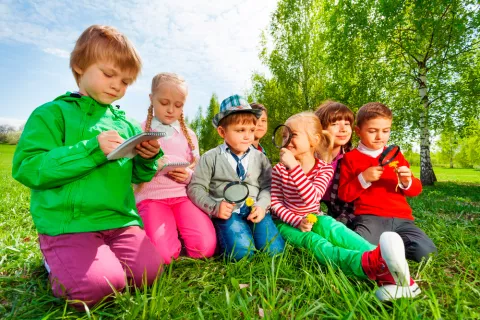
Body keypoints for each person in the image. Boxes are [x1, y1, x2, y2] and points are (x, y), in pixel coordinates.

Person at [11, 25, 163, 310]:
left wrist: (146, 158)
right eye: (109, 74)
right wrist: (92, 149)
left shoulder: (128, 125)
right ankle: (53, 258)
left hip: (119, 222)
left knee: (149, 274)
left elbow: (139, 176)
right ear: (79, 66)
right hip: (70, 225)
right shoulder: (51, 114)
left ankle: (101, 260)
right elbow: (28, 168)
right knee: (96, 290)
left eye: (126, 81)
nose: (118, 85)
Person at [271, 112, 420, 301]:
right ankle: (369, 266)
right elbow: (274, 201)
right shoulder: (278, 169)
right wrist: (295, 220)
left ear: (313, 140)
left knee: (336, 230)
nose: (287, 140)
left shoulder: (324, 169)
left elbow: (310, 199)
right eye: (284, 135)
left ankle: (382, 258)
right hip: (286, 223)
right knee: (314, 242)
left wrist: (294, 168)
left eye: (293, 135)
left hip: (314, 215)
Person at [187, 94, 285, 260]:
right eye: (240, 130)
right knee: (242, 254)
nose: (248, 136)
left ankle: (251, 233)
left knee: (275, 251)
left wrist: (261, 206)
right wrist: (214, 207)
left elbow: (268, 187)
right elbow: (195, 188)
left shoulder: (260, 158)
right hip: (228, 213)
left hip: (255, 210)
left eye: (251, 131)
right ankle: (228, 236)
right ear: (222, 131)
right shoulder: (210, 157)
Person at [338, 102, 437, 262]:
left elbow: (415, 191)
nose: (380, 136)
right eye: (372, 131)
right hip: (370, 218)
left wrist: (407, 181)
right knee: (360, 251)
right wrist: (363, 179)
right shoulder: (350, 158)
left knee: (427, 254)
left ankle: (391, 249)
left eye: (386, 131)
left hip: (402, 218)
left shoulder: (395, 155)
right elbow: (344, 195)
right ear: (358, 131)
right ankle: (385, 252)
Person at [135, 72, 216, 264]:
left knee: (205, 248)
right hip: (152, 199)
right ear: (151, 99)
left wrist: (188, 175)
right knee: (164, 256)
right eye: (164, 103)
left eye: (178, 105)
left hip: (182, 196)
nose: (171, 110)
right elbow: (132, 171)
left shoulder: (189, 134)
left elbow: (198, 170)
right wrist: (153, 164)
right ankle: (167, 233)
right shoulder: (139, 131)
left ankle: (178, 230)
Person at [314, 101, 356, 225]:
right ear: (321, 128)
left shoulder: (350, 157)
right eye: (335, 124)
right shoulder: (310, 157)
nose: (343, 129)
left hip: (339, 208)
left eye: (347, 124)